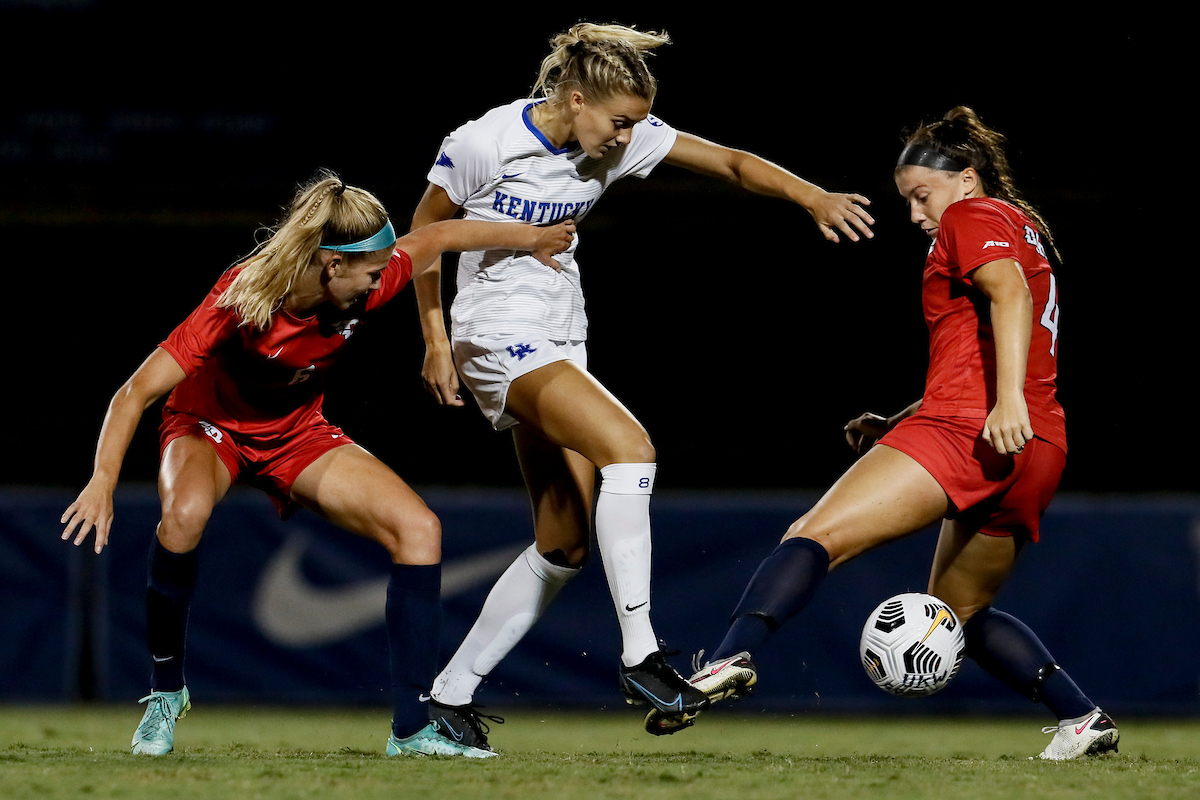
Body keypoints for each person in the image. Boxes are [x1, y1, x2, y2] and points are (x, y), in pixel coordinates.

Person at [408, 22, 876, 751]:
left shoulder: (617, 138)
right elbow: (421, 236)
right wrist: (435, 340)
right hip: (495, 335)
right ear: (574, 99)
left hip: (560, 336)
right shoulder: (484, 142)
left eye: (635, 123)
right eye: (619, 122)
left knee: (562, 544)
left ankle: (447, 701)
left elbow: (729, 162)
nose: (629, 137)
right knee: (631, 448)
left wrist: (809, 195)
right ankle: (642, 658)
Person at [646, 106, 1118, 761]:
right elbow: (987, 342)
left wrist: (1003, 402)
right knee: (962, 615)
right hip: (1037, 447)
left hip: (972, 430)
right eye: (909, 201)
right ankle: (1082, 717)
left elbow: (1009, 297)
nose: (918, 214)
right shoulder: (1023, 225)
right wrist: (899, 419)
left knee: (814, 537)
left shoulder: (969, 216)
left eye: (921, 195)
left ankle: (727, 659)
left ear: (967, 179)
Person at [59, 171, 575, 758]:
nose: (383, 282)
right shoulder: (242, 299)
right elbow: (134, 392)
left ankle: (412, 729)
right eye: (373, 271)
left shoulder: (365, 280)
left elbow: (440, 235)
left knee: (419, 529)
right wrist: (103, 479)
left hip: (296, 433)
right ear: (332, 265)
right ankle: (165, 694)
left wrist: (529, 237)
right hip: (209, 428)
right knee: (183, 517)